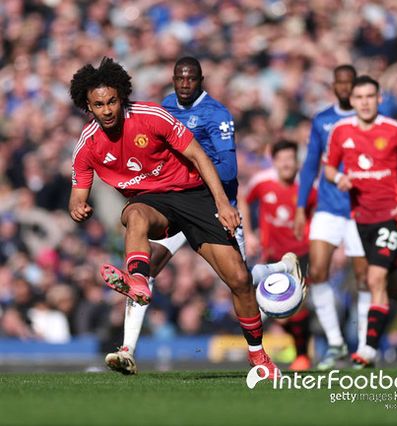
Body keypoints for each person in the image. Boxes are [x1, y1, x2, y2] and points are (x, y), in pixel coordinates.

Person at [68, 57, 278, 378]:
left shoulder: (151, 115)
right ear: (88, 106)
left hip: (193, 195)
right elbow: (77, 196)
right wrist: (78, 209)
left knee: (239, 279)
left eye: (112, 101)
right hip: (153, 203)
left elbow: (199, 156)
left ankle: (258, 354)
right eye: (99, 104)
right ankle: (138, 282)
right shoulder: (87, 144)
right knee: (134, 214)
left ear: (122, 97)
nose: (107, 110)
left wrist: (223, 203)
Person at [324, 75, 397, 368]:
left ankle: (369, 350)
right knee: (387, 285)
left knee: (375, 279)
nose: (364, 102)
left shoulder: (395, 131)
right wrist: (339, 178)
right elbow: (329, 167)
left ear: (379, 99)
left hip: (392, 216)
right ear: (351, 101)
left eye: (370, 96)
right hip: (360, 217)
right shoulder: (340, 131)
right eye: (359, 97)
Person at [293, 65, 370, 370]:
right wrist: (301, 207)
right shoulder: (322, 120)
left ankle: (363, 346)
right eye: (340, 82)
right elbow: (310, 165)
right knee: (317, 271)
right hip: (327, 207)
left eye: (349, 83)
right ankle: (336, 342)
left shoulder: (369, 119)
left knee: (364, 278)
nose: (344, 87)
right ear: (334, 86)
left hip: (360, 209)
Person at [242, 140, 315, 370]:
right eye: (281, 159)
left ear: (297, 161)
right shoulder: (262, 182)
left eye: (290, 159)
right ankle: (264, 351)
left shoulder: (308, 186)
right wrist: (248, 234)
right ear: (273, 161)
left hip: (301, 255)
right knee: (276, 308)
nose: (286, 164)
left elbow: (321, 213)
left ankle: (302, 356)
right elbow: (243, 200)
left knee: (296, 304)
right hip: (272, 257)